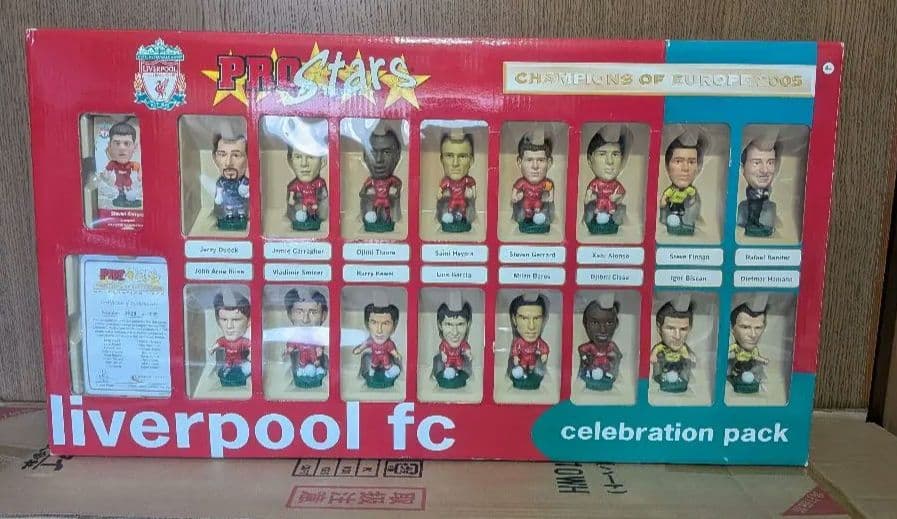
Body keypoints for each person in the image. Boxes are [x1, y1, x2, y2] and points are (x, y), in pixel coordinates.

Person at [583, 126, 626, 233]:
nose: (610, 161)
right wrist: (589, 197)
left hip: (611, 206)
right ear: (590, 160)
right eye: (602, 154)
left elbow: (621, 193)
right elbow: (590, 192)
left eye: (615, 154)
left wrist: (617, 197)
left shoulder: (616, 185)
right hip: (599, 205)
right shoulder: (595, 183)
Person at [511, 131, 554, 233]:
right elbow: (515, 189)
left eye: (541, 160)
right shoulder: (522, 182)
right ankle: (527, 218)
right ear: (519, 162)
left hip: (538, 203)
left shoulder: (544, 183)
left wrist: (551, 197)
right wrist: (514, 196)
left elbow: (550, 188)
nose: (535, 166)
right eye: (529, 160)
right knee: (523, 213)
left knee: (541, 211)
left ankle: (537, 218)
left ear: (549, 163)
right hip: (526, 203)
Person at [360, 128, 402, 231]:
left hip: (386, 200)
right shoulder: (372, 181)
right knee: (374, 209)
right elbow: (365, 187)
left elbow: (398, 184)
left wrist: (397, 192)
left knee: (386, 210)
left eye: (387, 152)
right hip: (377, 200)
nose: (379, 160)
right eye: (373, 152)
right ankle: (374, 220)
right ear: (364, 156)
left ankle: (387, 220)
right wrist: (363, 191)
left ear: (397, 156)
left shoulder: (390, 180)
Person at [659, 133, 702, 234]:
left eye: (691, 162)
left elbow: (693, 197)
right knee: (673, 219)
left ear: (698, 166)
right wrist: (663, 201)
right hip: (673, 208)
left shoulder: (691, 191)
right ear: (667, 165)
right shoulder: (671, 190)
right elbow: (665, 198)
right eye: (678, 161)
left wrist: (693, 201)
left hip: (683, 210)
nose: (685, 168)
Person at [283, 288, 328, 384]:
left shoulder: (321, 340)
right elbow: (290, 346)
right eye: (299, 312)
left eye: (313, 312)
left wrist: (319, 351)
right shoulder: (295, 339)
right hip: (302, 364)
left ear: (323, 316)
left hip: (316, 363)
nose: (305, 320)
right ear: (290, 315)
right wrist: (288, 350)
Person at [352, 302, 403, 386]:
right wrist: (359, 349)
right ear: (367, 325)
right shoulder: (371, 341)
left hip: (385, 357)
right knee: (373, 365)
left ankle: (388, 373)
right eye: (374, 322)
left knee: (387, 365)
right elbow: (364, 346)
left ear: (394, 326)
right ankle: (371, 373)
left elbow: (392, 350)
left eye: (386, 323)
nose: (379, 330)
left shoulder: (388, 343)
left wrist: (396, 354)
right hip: (375, 357)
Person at [650, 301, 696, 390]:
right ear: (659, 328)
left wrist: (689, 358)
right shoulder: (660, 348)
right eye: (670, 328)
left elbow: (690, 359)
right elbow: (653, 358)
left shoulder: (684, 349)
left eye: (683, 329)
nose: (677, 336)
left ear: (690, 328)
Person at [436, 131, 477, 232]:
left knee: (462, 210)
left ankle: (461, 219)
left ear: (471, 160)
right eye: (449, 156)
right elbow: (441, 188)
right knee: (450, 209)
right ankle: (451, 219)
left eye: (462, 156)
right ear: (441, 160)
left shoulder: (467, 180)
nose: (455, 163)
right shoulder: (446, 181)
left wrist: (473, 193)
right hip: (452, 201)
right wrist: (439, 193)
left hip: (462, 201)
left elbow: (472, 183)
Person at [508, 294, 550, 387]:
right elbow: (515, 349)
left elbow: (543, 346)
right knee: (522, 368)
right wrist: (515, 356)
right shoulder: (519, 342)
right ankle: (523, 374)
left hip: (532, 360)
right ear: (514, 320)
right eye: (524, 318)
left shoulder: (538, 342)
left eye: (537, 318)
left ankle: (530, 374)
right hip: (523, 360)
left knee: (532, 369)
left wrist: (544, 353)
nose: (531, 326)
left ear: (543, 319)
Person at [210, 291, 251, 387]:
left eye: (236, 320)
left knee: (242, 373)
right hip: (228, 362)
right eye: (224, 320)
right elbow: (218, 344)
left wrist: (251, 354)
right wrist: (212, 349)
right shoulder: (224, 340)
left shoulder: (243, 341)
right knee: (224, 373)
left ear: (249, 321)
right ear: (218, 321)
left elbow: (250, 346)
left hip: (239, 364)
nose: (229, 326)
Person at [578, 300, 622, 387]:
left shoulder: (610, 346)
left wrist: (614, 359)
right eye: (595, 323)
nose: (602, 330)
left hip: (606, 370)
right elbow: (582, 350)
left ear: (616, 324)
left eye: (609, 323)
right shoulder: (590, 347)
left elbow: (619, 355)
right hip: (592, 370)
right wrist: (585, 358)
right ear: (585, 324)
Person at [740, 139, 779, 236]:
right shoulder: (742, 208)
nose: (765, 170)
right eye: (756, 163)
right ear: (742, 168)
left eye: (770, 163)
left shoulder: (771, 207)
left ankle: (755, 223)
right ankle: (753, 223)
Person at [728, 303, 770, 390]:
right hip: (738, 366)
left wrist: (763, 360)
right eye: (745, 327)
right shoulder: (736, 347)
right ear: (732, 328)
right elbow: (726, 351)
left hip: (749, 367)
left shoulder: (754, 351)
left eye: (758, 328)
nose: (753, 335)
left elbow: (755, 357)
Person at [286, 143, 328, 231]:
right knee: (303, 210)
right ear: (290, 162)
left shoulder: (319, 184)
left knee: (314, 209)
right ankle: (304, 217)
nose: (304, 164)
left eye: (311, 157)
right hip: (304, 204)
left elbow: (324, 196)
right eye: (298, 157)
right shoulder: (295, 185)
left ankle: (313, 217)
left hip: (313, 201)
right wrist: (291, 199)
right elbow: (291, 196)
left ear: (323, 161)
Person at [212, 133, 250, 230]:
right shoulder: (221, 183)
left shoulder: (245, 182)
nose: (228, 163)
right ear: (215, 158)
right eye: (222, 155)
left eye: (236, 155)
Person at [433, 301, 473, 386]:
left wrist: (468, 353)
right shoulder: (444, 344)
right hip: (449, 359)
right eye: (448, 324)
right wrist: (443, 355)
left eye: (460, 324)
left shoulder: (462, 344)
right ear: (440, 325)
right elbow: (442, 349)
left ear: (468, 324)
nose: (455, 332)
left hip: (458, 358)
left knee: (459, 366)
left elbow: (465, 347)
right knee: (448, 366)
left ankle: (456, 372)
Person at [103, 121, 142, 207]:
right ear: (110, 146)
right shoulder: (113, 163)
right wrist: (106, 175)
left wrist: (140, 174)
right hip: (119, 181)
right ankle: (121, 196)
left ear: (134, 147)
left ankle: (130, 199)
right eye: (117, 143)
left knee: (129, 189)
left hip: (127, 181)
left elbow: (138, 167)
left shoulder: (131, 164)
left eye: (127, 143)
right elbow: (107, 171)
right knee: (120, 189)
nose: (121, 148)